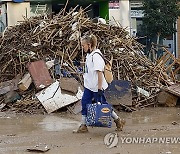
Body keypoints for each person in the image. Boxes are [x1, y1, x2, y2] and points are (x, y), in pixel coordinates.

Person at [75, 34, 125, 133]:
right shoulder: (89, 55)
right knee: (84, 103)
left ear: (89, 45)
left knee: (103, 106)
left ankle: (118, 120)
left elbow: (99, 73)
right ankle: (83, 125)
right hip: (89, 86)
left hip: (97, 87)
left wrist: (99, 89)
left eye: (83, 45)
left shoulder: (96, 56)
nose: (82, 48)